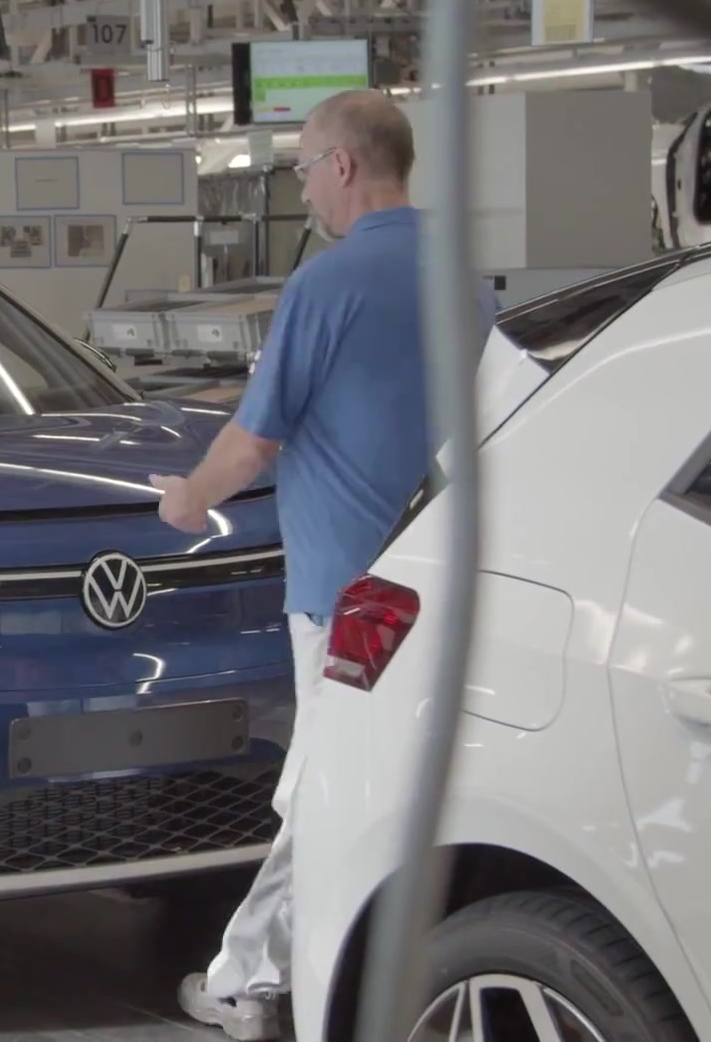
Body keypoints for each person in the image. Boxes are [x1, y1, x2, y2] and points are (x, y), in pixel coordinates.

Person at [153, 90, 494, 1040]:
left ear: (342, 165)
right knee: (374, 780)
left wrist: (187, 499)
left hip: (348, 595)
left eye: (304, 170)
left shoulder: (326, 284)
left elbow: (251, 444)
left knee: (321, 789)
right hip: (437, 576)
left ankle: (247, 982)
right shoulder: (466, 279)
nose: (303, 191)